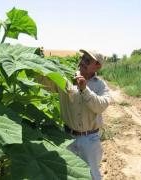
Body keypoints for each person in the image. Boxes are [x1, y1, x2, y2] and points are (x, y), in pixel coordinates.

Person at [37, 49, 110, 180]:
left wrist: (84, 89)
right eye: (82, 58)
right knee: (67, 174)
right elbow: (43, 83)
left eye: (88, 60)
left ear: (97, 65)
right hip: (67, 136)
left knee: (92, 175)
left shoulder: (100, 86)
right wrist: (37, 62)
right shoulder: (66, 80)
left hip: (89, 139)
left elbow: (100, 106)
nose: (82, 62)